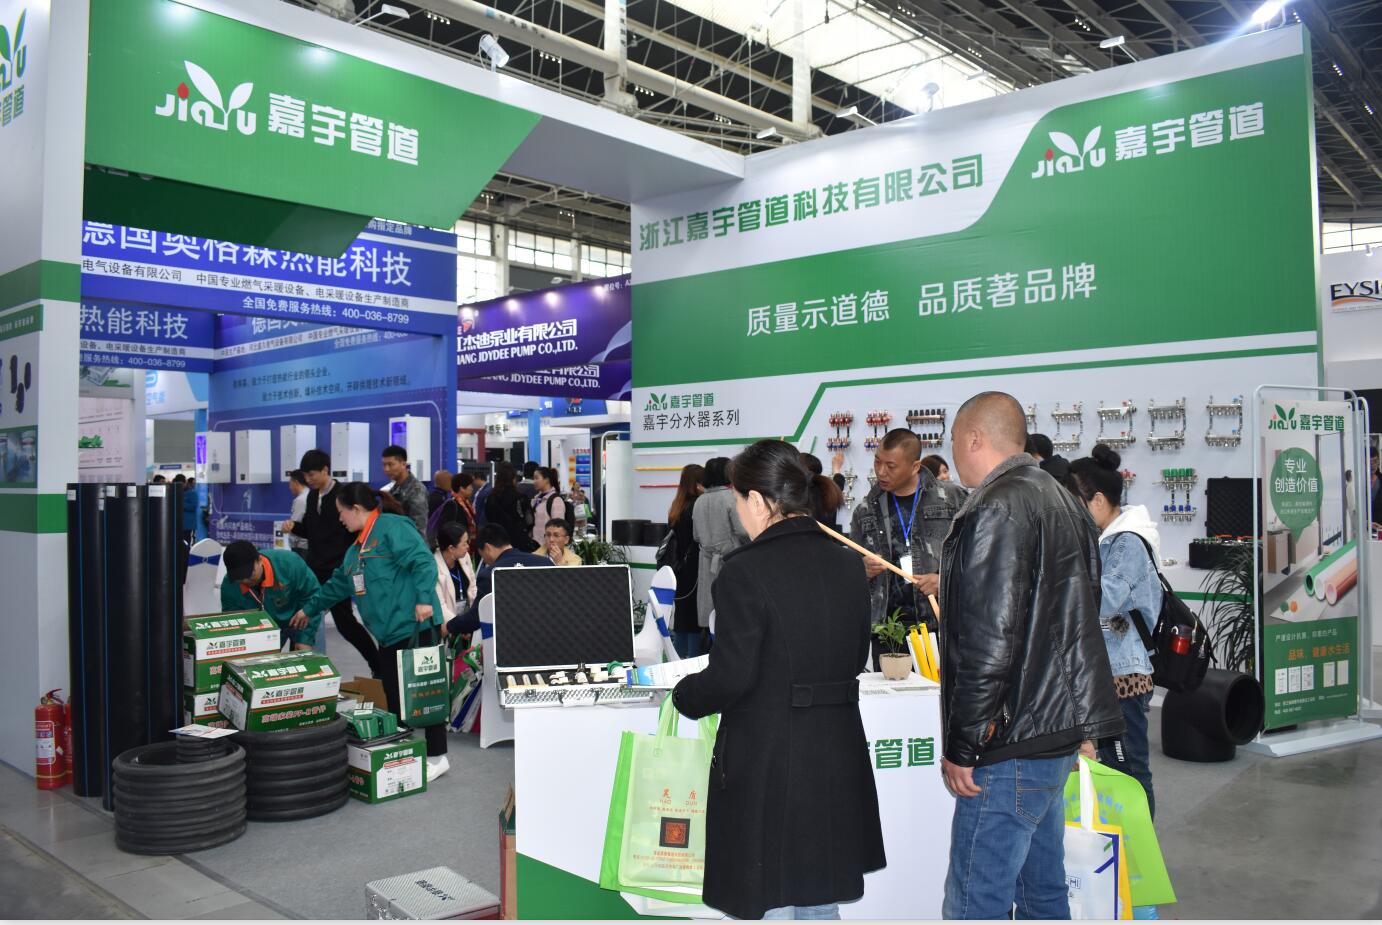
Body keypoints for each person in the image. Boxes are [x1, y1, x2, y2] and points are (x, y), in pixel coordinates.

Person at [672, 440, 885, 920]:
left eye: (737, 499)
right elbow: (856, 656)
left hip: (767, 753)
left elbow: (732, 675)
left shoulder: (744, 571)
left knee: (768, 893)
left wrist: (685, 696)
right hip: (837, 747)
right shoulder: (848, 563)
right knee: (820, 892)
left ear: (756, 500)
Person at [939, 392, 1122, 920]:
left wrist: (964, 743)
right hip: (1052, 733)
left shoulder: (998, 506)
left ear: (975, 438)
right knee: (1043, 892)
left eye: (955, 440)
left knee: (975, 901)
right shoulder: (1063, 499)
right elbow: (1081, 619)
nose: (953, 452)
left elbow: (990, 638)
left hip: (1010, 738)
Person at [293, 483, 450, 781]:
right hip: (388, 634)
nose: (340, 519)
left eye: (341, 512)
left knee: (426, 692)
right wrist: (308, 610)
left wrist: (423, 600)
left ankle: (437, 756)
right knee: (395, 694)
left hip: (415, 625)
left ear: (356, 509)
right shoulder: (356, 551)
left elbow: (422, 561)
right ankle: (404, 751)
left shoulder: (392, 527)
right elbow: (337, 586)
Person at [1065, 444, 1160, 819]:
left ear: (1099, 501)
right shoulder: (1105, 538)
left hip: (1123, 674)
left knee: (1129, 768)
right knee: (1108, 765)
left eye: (1075, 503)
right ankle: (1119, 842)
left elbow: (1104, 599)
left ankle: (1140, 844)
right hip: (1105, 670)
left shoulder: (1128, 542)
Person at [849, 429, 962, 662]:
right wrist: (861, 570)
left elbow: (975, 559)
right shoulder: (865, 509)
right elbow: (849, 568)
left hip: (939, 627)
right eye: (877, 462)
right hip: (887, 632)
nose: (881, 472)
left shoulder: (952, 500)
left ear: (915, 466)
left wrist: (944, 581)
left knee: (937, 686)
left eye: (890, 466)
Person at [285, 450, 379, 676]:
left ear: (325, 470)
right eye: (305, 476)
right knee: (301, 616)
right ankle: (295, 668)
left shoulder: (342, 495)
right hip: (314, 567)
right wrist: (295, 527)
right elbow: (312, 531)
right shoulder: (311, 496)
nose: (309, 480)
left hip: (337, 569)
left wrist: (348, 563)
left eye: (312, 474)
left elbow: (351, 532)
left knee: (346, 623)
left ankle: (376, 664)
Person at [444, 524, 552, 637]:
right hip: (550, 636)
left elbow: (476, 616)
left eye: (482, 556)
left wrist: (449, 627)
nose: (485, 561)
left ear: (488, 548)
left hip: (513, 640)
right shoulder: (545, 563)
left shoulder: (489, 574)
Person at [219, 541, 322, 651]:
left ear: (259, 560)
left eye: (249, 574)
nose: (245, 580)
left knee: (311, 655)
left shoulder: (289, 563)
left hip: (300, 617)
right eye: (240, 577)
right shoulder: (229, 586)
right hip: (264, 627)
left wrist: (306, 638)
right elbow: (234, 621)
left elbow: (313, 596)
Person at [693, 457, 749, 636]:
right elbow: (742, 530)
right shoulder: (731, 497)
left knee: (710, 608)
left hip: (706, 559)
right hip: (730, 558)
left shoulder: (699, 501)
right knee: (730, 609)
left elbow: (696, 536)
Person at [665, 464, 705, 658]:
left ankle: (678, 660)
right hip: (694, 568)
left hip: (678, 568)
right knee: (695, 619)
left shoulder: (677, 506)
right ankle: (693, 662)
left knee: (682, 618)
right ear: (696, 483)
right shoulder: (698, 506)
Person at [434, 521, 477, 627]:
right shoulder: (434, 567)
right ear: (451, 548)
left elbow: (473, 587)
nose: (468, 546)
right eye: (464, 543)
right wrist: (459, 626)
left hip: (465, 620)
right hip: (446, 625)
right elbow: (440, 606)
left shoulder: (465, 557)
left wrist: (473, 618)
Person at [485, 463, 537, 552]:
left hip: (497, 541)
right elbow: (530, 521)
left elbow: (488, 518)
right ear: (513, 479)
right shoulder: (520, 498)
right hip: (518, 541)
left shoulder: (491, 498)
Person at [382, 444, 429, 534]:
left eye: (390, 464)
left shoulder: (416, 491)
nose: (386, 469)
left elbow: (419, 529)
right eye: (384, 465)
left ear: (403, 464)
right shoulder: (394, 489)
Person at [800, 452, 845, 530]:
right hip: (827, 536)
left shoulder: (801, 491)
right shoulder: (828, 489)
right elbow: (838, 484)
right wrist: (836, 469)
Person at [530, 466, 569, 548]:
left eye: (537, 478)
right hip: (535, 545)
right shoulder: (537, 499)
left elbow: (559, 528)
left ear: (546, 479)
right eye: (533, 478)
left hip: (548, 547)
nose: (534, 481)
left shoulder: (556, 500)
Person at [286, 469, 310, 553]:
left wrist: (287, 526)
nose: (289, 487)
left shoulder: (301, 500)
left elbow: (295, 525)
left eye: (290, 484)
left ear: (296, 482)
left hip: (301, 546)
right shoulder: (309, 495)